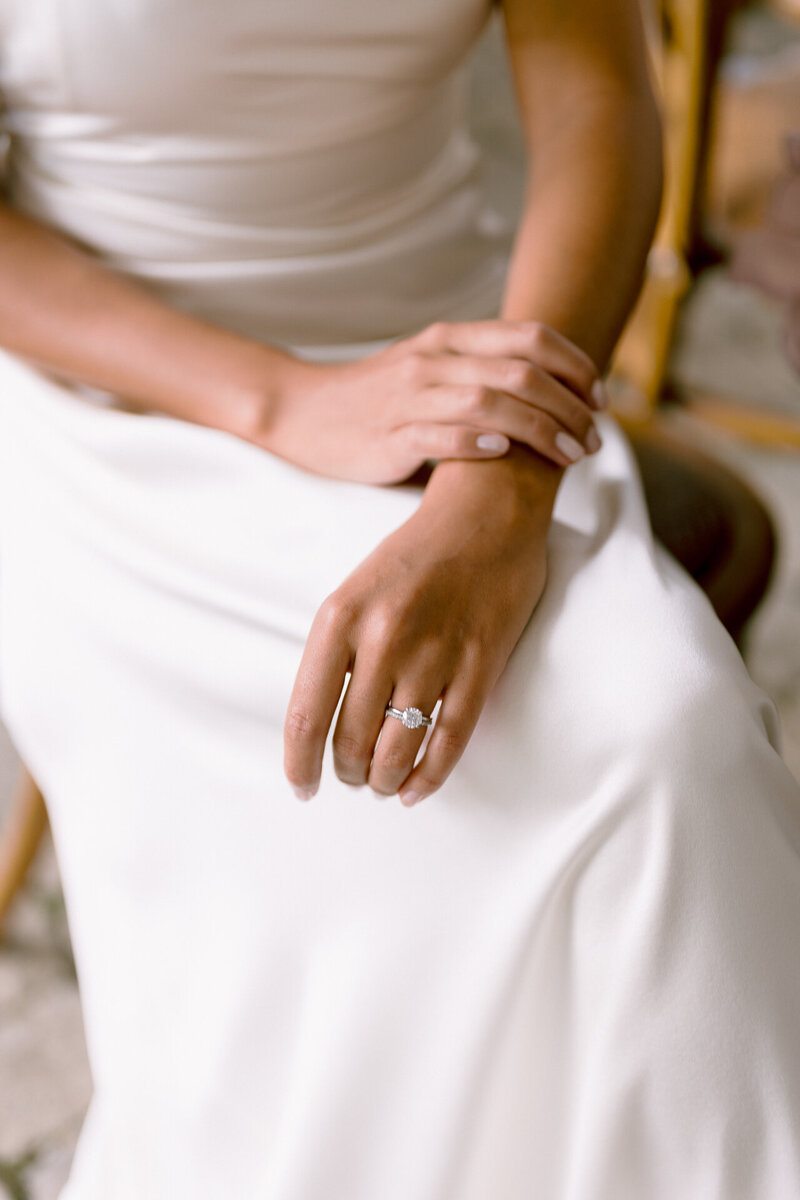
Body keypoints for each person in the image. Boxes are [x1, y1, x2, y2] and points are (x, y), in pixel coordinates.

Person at [0, 1, 799, 1197]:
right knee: (387, 816)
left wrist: (500, 472)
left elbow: (596, 101)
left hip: (464, 358)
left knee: (661, 738)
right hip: (114, 399)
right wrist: (285, 402)